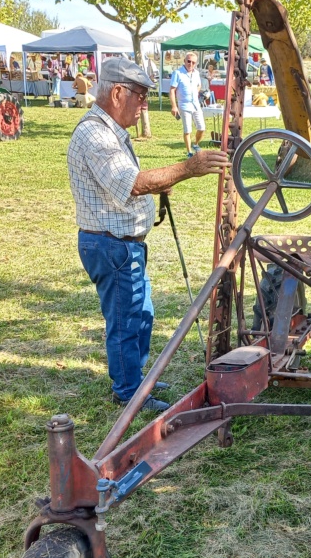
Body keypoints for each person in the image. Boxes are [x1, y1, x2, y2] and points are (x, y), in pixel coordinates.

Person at [68, 58, 229, 411]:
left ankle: (135, 377)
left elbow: (126, 181)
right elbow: (133, 183)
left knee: (142, 314)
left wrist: (164, 182)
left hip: (122, 245)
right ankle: (129, 393)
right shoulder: (95, 134)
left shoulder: (112, 130)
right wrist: (189, 167)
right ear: (117, 93)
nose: (144, 106)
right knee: (126, 321)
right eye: (140, 98)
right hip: (111, 245)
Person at [170, 54, 206, 157]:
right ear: (185, 61)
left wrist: (195, 92)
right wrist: (174, 106)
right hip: (184, 104)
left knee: (201, 127)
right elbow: (172, 90)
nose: (190, 64)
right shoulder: (178, 73)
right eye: (189, 61)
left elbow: (199, 85)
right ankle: (189, 152)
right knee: (187, 130)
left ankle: (196, 144)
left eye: (193, 62)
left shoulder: (196, 73)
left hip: (195, 104)